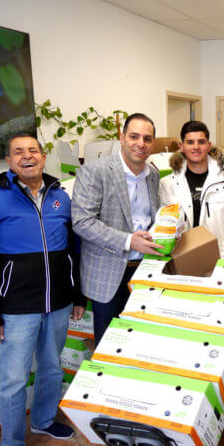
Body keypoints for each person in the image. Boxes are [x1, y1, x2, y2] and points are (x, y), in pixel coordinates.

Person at [0, 133, 86, 446]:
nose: (27, 156)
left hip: (59, 303)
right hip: (16, 308)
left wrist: (77, 296)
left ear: (44, 157)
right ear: (8, 161)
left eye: (33, 150)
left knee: (51, 368)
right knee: (13, 379)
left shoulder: (62, 197)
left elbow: (74, 252)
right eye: (18, 152)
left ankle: (44, 420)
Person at [72, 113, 163, 341]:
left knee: (139, 342)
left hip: (143, 273)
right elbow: (82, 222)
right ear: (122, 138)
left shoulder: (153, 175)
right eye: (134, 136)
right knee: (108, 346)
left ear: (153, 143)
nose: (140, 143)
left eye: (147, 138)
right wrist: (128, 240)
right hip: (107, 276)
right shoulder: (95, 171)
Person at [160, 120, 224, 259]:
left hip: (220, 257)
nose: (196, 147)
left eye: (201, 142)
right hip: (181, 259)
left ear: (209, 145)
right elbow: (165, 226)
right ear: (182, 146)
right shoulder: (167, 183)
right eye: (190, 142)